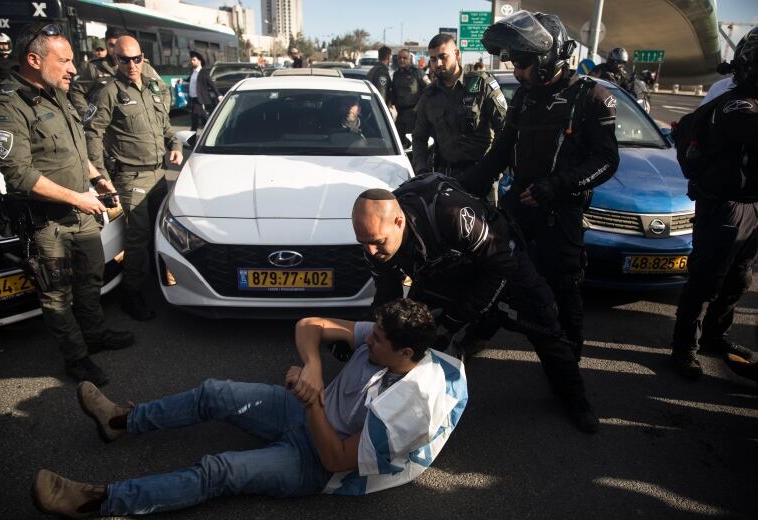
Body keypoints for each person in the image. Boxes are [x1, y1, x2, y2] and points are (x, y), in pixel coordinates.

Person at [31, 299, 468, 518]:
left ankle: (97, 501)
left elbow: (336, 457)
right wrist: (313, 368)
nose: (366, 339)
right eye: (369, 334)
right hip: (305, 413)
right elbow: (310, 325)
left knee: (218, 471)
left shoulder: (408, 406)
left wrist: (311, 398)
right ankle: (120, 420)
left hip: (318, 460)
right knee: (213, 392)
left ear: (405, 351)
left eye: (376, 340)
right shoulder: (388, 339)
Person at [352, 180, 599, 433]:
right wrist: (366, 336)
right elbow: (388, 297)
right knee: (407, 327)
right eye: (363, 243)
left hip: (500, 259)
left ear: (399, 222)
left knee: (543, 323)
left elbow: (501, 270)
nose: (370, 251)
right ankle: (397, 401)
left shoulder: (453, 214)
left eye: (377, 242)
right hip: (444, 269)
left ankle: (575, 398)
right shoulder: (373, 238)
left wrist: (451, 322)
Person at [0, 22, 134, 386]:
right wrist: (77, 197)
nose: (73, 69)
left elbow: (74, 149)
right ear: (34, 60)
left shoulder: (56, 93)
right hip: (47, 223)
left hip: (81, 211)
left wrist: (97, 178)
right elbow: (19, 175)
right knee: (56, 295)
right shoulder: (6, 105)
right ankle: (77, 359)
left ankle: (95, 335)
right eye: (64, 61)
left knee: (89, 278)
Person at [463, 11, 619, 362]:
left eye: (523, 62)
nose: (517, 70)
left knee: (564, 287)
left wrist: (559, 185)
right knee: (496, 270)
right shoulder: (524, 97)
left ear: (550, 57)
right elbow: (501, 150)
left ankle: (568, 356)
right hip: (519, 202)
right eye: (513, 61)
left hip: (560, 211)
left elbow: (607, 160)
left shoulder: (592, 98)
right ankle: (476, 334)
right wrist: (464, 184)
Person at [669, 27, 758, 380]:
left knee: (739, 278)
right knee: (706, 278)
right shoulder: (737, 103)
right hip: (724, 205)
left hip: (751, 203)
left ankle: (715, 338)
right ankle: (684, 348)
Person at [83, 36, 183, 321]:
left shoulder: (149, 88)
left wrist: (174, 146)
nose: (131, 65)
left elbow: (165, 125)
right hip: (131, 177)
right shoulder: (108, 92)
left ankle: (153, 283)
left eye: (136, 58)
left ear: (143, 58)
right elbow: (92, 134)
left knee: (159, 232)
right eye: (124, 59)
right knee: (137, 240)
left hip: (158, 174)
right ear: (114, 60)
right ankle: (131, 295)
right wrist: (100, 177)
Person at [412, 33, 507, 178]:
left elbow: (504, 130)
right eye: (433, 59)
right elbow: (419, 137)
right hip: (445, 177)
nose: (437, 63)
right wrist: (421, 170)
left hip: (480, 175)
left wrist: (491, 167)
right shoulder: (429, 95)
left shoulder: (482, 85)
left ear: (457, 54)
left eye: (443, 57)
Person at [70, 27, 170, 116]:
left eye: (119, 45)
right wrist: (88, 114)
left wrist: (161, 114)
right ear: (106, 44)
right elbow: (76, 91)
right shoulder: (95, 68)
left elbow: (163, 90)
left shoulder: (142, 66)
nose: (115, 50)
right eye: (111, 45)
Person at [391, 48, 430, 148]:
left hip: (414, 114)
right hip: (400, 115)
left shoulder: (417, 72)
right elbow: (394, 93)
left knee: (412, 145)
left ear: (409, 59)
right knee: (399, 143)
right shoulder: (396, 74)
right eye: (399, 58)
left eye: (405, 58)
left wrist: (419, 107)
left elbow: (429, 89)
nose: (402, 60)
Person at [187, 50, 222, 131]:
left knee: (196, 118)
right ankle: (214, 129)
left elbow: (212, 84)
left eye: (193, 60)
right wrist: (182, 80)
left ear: (199, 61)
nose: (191, 61)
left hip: (199, 98)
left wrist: (219, 94)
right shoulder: (193, 72)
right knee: (201, 117)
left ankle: (193, 135)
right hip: (193, 98)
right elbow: (190, 81)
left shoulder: (204, 73)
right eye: (191, 60)